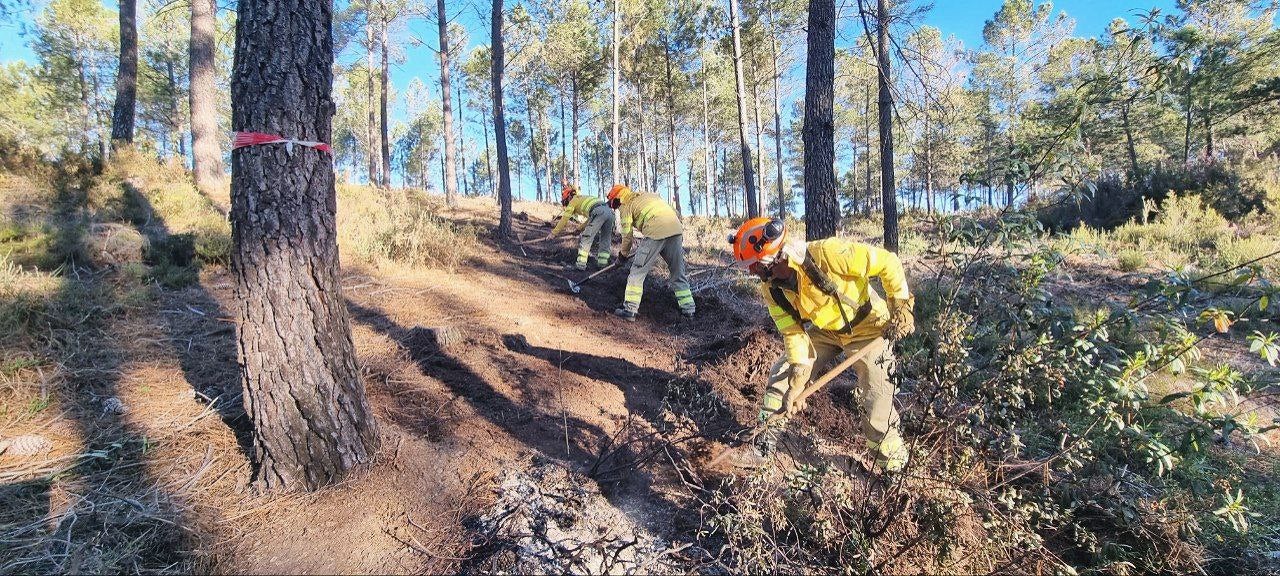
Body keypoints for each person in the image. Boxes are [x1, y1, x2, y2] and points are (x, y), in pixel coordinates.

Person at [721, 217, 915, 473]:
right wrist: (798, 379)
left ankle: (894, 469)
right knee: (782, 375)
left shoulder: (827, 253)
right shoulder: (772, 290)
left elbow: (888, 262)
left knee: (877, 399)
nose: (751, 272)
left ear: (771, 258)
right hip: (826, 330)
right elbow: (793, 333)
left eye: (753, 265)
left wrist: (900, 305)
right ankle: (762, 448)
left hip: (869, 328)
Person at [607, 184, 694, 321]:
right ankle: (689, 310)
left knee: (637, 271)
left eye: (614, 204)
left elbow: (627, 237)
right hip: (676, 230)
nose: (616, 208)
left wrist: (622, 256)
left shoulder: (626, 206)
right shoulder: (647, 196)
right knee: (678, 272)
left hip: (655, 232)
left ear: (617, 199)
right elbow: (675, 213)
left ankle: (629, 309)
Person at [544, 184, 614, 271]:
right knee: (605, 239)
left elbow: (564, 219)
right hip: (609, 213)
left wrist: (553, 234)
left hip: (598, 212)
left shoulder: (573, 201)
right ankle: (603, 265)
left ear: (569, 197)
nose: (567, 204)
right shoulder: (583, 198)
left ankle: (580, 265)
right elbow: (591, 218)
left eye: (566, 202)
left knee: (586, 238)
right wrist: (579, 229)